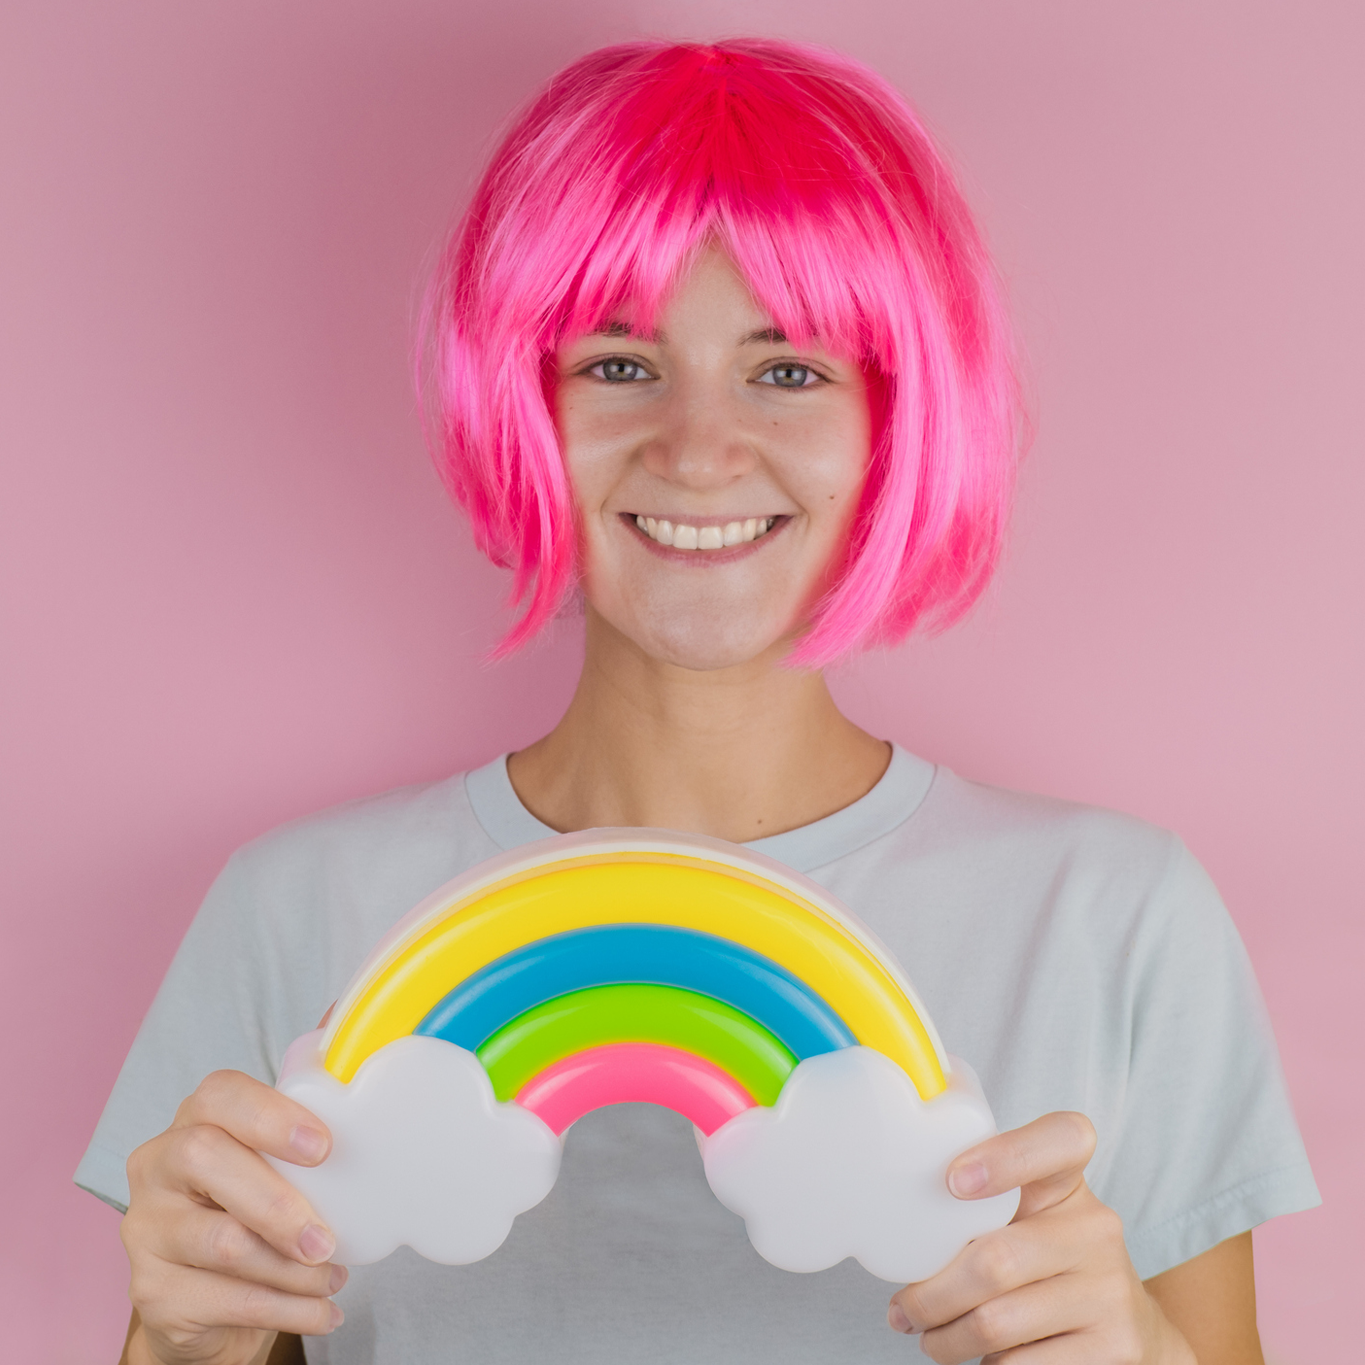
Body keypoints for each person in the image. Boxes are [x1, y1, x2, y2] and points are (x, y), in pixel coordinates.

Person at [77, 39, 1318, 1365]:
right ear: (521, 405)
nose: (699, 448)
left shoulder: (1116, 920)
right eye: (619, 364)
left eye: (789, 370)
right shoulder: (293, 912)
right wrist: (175, 1341)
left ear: (896, 422)